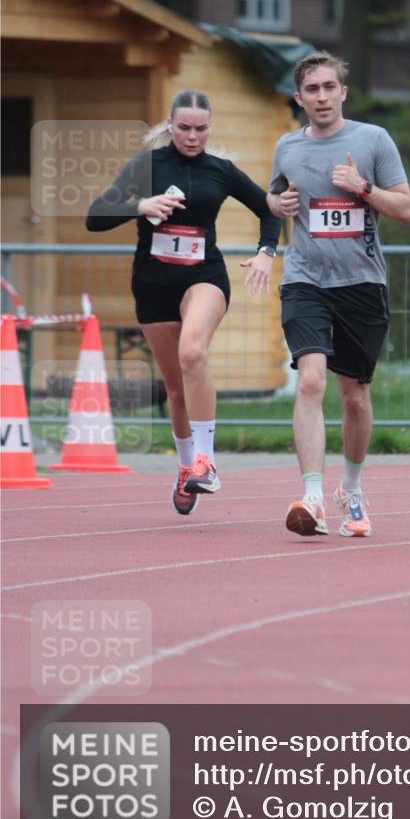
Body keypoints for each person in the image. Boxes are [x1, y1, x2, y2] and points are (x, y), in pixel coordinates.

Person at [86, 89, 280, 515]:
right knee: (175, 388)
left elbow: (269, 210)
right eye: (185, 128)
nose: (193, 137)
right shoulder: (147, 166)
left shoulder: (221, 171)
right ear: (170, 126)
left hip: (204, 277)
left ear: (210, 128)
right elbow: (94, 216)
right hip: (154, 284)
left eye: (201, 129)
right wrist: (141, 205)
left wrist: (267, 251)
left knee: (193, 351)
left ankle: (206, 461)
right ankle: (184, 467)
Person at [267, 52, 410, 538]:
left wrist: (362, 186)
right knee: (310, 382)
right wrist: (278, 204)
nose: (322, 97)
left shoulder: (373, 140)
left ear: (343, 93)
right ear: (299, 98)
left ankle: (350, 488)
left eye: (330, 87)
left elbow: (406, 208)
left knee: (354, 396)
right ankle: (311, 495)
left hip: (362, 283)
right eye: (313, 90)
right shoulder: (286, 147)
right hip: (305, 279)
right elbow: (274, 201)